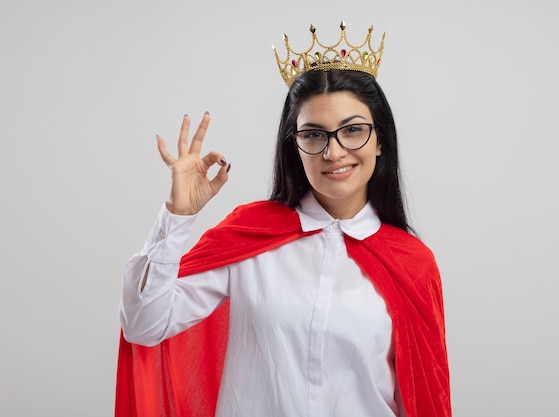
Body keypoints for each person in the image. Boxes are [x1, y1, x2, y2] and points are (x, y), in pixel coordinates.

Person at [115, 22, 451, 417]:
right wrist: (176, 218)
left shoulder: (412, 263)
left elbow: (424, 396)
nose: (334, 151)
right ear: (294, 147)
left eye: (353, 130)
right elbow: (144, 325)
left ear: (380, 142)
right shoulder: (249, 238)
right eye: (314, 135)